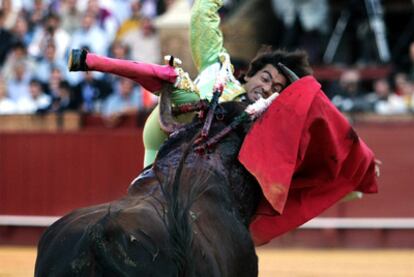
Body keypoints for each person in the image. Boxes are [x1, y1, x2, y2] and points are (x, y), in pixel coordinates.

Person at [68, 0, 378, 246]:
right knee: (171, 80)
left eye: (278, 89)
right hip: (167, 132)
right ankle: (93, 61)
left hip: (202, 162)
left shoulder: (270, 121)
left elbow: (317, 151)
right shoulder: (219, 69)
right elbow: (203, 14)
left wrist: (355, 173)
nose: (268, 88)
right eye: (266, 77)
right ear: (250, 73)